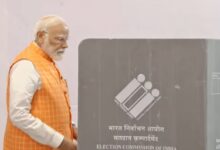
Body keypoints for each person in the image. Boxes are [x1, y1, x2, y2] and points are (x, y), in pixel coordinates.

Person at [3, 15, 77, 150]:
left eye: (65, 40)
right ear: (41, 36)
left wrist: (71, 128)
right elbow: (18, 115)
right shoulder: (26, 65)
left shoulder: (47, 62)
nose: (66, 45)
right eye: (60, 39)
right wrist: (60, 142)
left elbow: (52, 105)